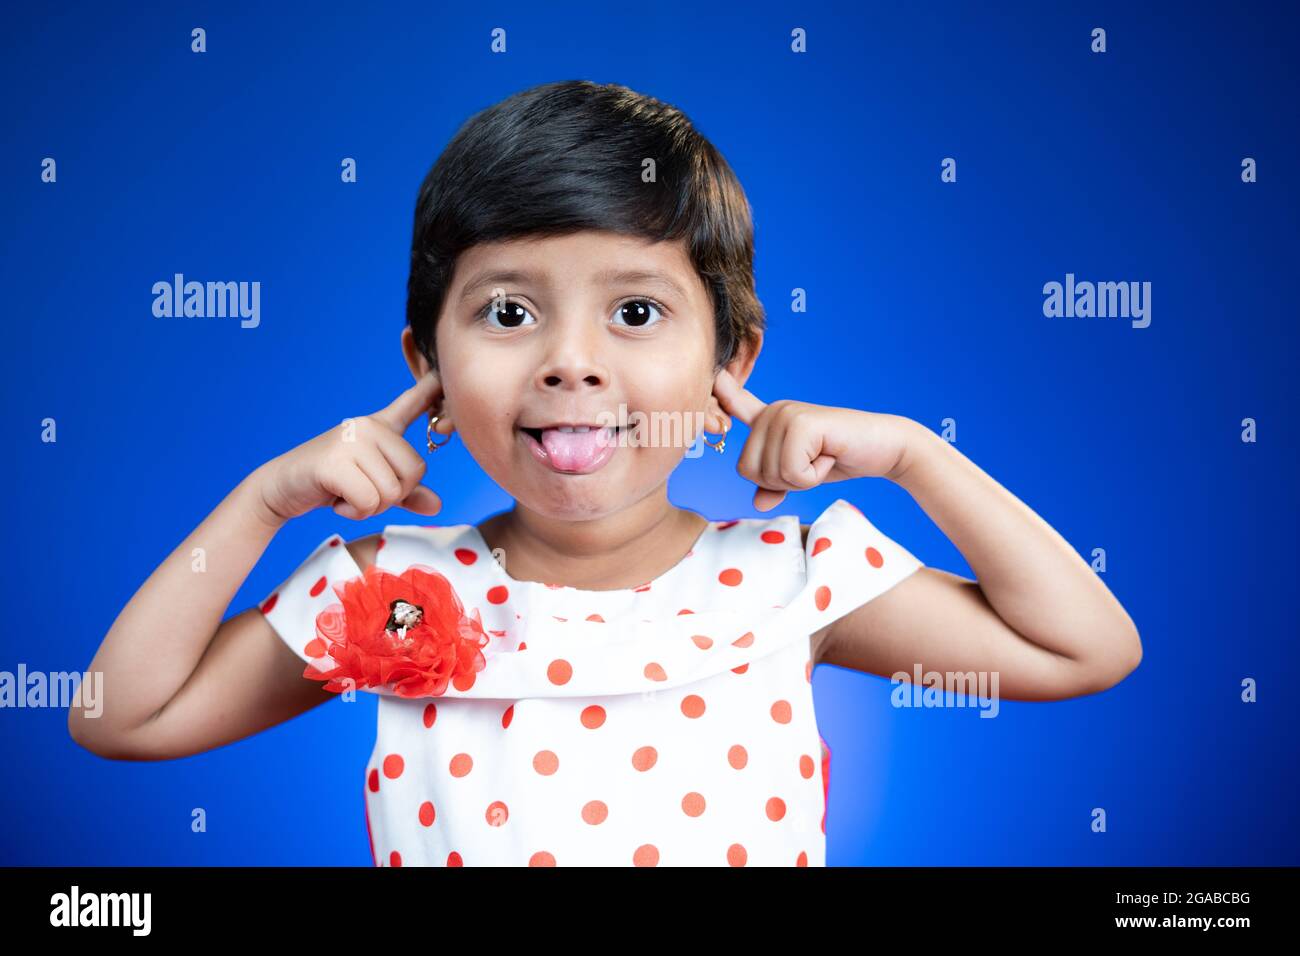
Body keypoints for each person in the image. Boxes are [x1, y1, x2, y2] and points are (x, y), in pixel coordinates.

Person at [68, 79, 1142, 866]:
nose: (570, 359)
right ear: (427, 365)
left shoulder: (794, 573)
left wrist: (916, 452)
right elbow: (122, 715)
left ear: (731, 362)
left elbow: (1084, 646)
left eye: (635, 311)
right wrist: (266, 500)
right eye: (506, 311)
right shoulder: (381, 586)